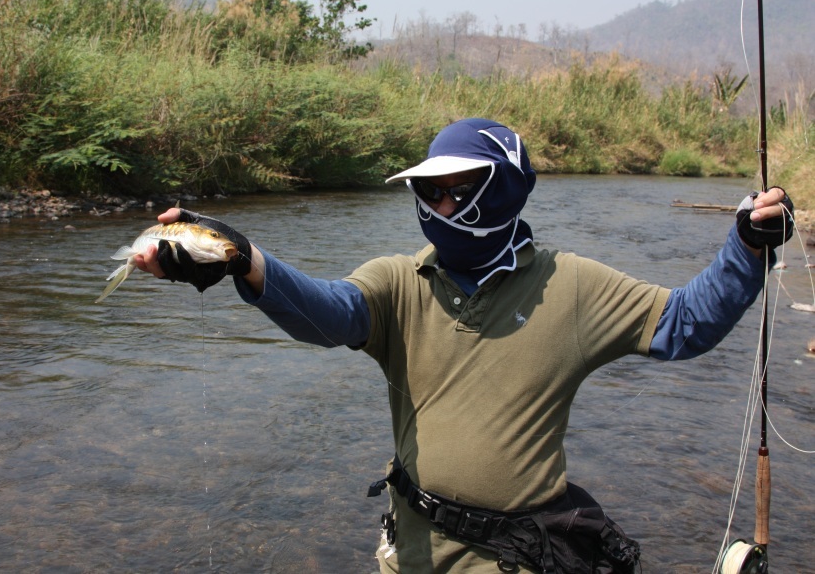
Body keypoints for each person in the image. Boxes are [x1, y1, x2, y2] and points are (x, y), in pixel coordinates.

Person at [133, 118, 794, 573]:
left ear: (502, 188)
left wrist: (746, 248)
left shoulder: (574, 286)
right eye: (428, 190)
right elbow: (328, 312)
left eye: (457, 190)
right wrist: (243, 261)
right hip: (410, 553)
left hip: (518, 560)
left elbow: (686, 324)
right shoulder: (398, 282)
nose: (439, 205)